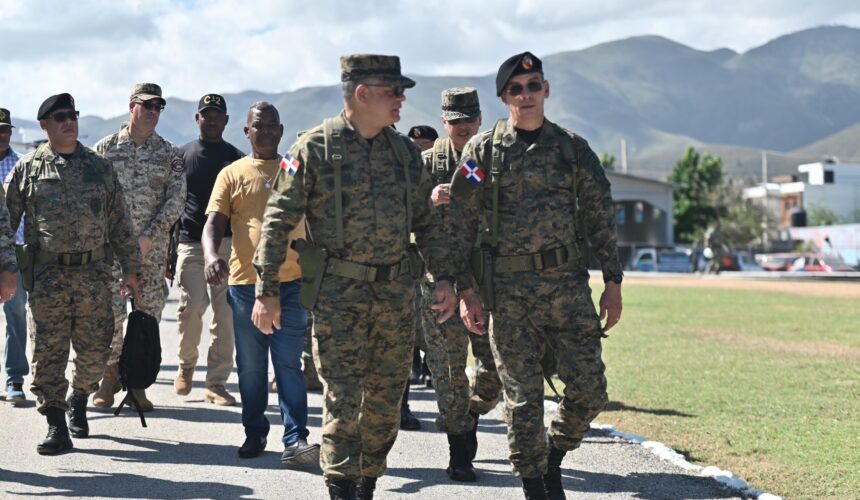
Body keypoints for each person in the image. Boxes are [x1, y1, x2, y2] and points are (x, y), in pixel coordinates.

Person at [251, 54, 456, 500]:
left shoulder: (403, 153)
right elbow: (277, 221)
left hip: (396, 297)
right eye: (393, 91)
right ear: (362, 94)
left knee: (384, 406)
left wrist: (444, 278)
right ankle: (343, 488)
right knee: (344, 401)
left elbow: (429, 223)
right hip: (338, 298)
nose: (402, 100)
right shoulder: (315, 149)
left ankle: (367, 483)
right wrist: (265, 290)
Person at [444, 52, 624, 500]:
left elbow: (600, 216)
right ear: (504, 97)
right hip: (508, 295)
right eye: (516, 89)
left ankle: (554, 457)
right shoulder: (481, 151)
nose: (526, 95)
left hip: (567, 288)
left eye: (534, 85)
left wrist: (613, 282)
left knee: (589, 390)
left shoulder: (572, 149)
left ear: (547, 90)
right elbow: (459, 226)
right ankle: (534, 486)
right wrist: (467, 290)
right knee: (523, 400)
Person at [5, 93, 140, 454]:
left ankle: (80, 395)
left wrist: (131, 270)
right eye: (60, 117)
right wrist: (6, 268)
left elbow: (121, 222)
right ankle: (55, 422)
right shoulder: (29, 169)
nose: (69, 122)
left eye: (73, 115)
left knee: (96, 349)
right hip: (47, 276)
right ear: (44, 125)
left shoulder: (99, 168)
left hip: (95, 276)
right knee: (48, 353)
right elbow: (5, 222)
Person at [203, 101, 320, 466]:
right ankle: (254, 433)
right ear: (247, 132)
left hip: (293, 284)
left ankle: (295, 439)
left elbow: (318, 221)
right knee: (252, 367)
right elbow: (213, 224)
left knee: (288, 364)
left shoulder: (296, 169)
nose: (266, 131)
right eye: (259, 126)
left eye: (272, 126)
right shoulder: (232, 173)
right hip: (244, 286)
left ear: (281, 130)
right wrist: (210, 256)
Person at [419, 87, 504, 481]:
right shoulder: (424, 165)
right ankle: (459, 452)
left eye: (469, 119)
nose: (463, 127)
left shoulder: (495, 163)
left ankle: (467, 416)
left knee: (494, 370)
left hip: (485, 285)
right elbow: (395, 224)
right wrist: (426, 202)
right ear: (444, 121)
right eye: (455, 121)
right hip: (439, 284)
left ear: (480, 119)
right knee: (449, 371)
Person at [92, 83, 186, 412]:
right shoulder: (104, 150)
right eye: (146, 106)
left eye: (158, 107)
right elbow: (94, 201)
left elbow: (176, 201)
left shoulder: (170, 154)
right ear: (131, 106)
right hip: (113, 253)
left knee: (147, 318)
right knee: (112, 317)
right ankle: (110, 377)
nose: (152, 113)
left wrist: (150, 236)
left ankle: (137, 384)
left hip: (153, 251)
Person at [174, 94, 244, 405]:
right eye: (206, 115)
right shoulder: (183, 157)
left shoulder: (237, 159)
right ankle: (186, 366)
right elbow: (172, 206)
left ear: (226, 121)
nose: (212, 120)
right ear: (198, 118)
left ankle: (215, 383)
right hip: (190, 243)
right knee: (192, 308)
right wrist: (167, 253)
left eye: (218, 115)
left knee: (225, 314)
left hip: (227, 244)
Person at [0, 107, 28, 405]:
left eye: (6, 130)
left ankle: (14, 378)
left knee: (16, 315)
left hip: (14, 253)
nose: (2, 135)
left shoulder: (21, 167)